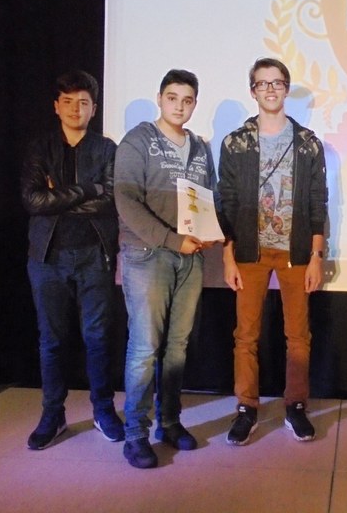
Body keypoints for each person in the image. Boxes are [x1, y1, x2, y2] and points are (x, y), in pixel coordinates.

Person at [217, 57, 327, 445]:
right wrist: (227, 256)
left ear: (286, 89)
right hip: (249, 249)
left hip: (296, 250)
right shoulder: (236, 143)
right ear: (253, 91)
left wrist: (317, 256)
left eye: (277, 83)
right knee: (246, 335)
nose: (270, 89)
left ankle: (295, 405)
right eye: (262, 84)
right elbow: (227, 202)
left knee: (298, 335)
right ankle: (246, 407)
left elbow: (318, 201)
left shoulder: (308, 142)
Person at [115, 69, 217, 468]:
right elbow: (126, 201)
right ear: (160, 99)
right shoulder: (138, 140)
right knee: (145, 348)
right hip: (148, 254)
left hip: (190, 258)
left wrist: (210, 232)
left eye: (187, 100)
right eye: (172, 97)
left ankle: (169, 423)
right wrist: (173, 240)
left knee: (177, 346)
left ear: (194, 104)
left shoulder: (200, 147)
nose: (179, 106)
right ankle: (135, 434)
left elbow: (206, 199)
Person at [21, 70, 123, 450]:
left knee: (98, 338)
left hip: (95, 254)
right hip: (47, 257)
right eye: (67, 101)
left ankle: (103, 410)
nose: (75, 109)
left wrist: (59, 198)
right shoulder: (40, 148)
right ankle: (53, 414)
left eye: (83, 102)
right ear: (56, 106)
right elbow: (33, 201)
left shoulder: (107, 149)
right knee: (51, 341)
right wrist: (87, 189)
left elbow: (111, 200)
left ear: (94, 108)